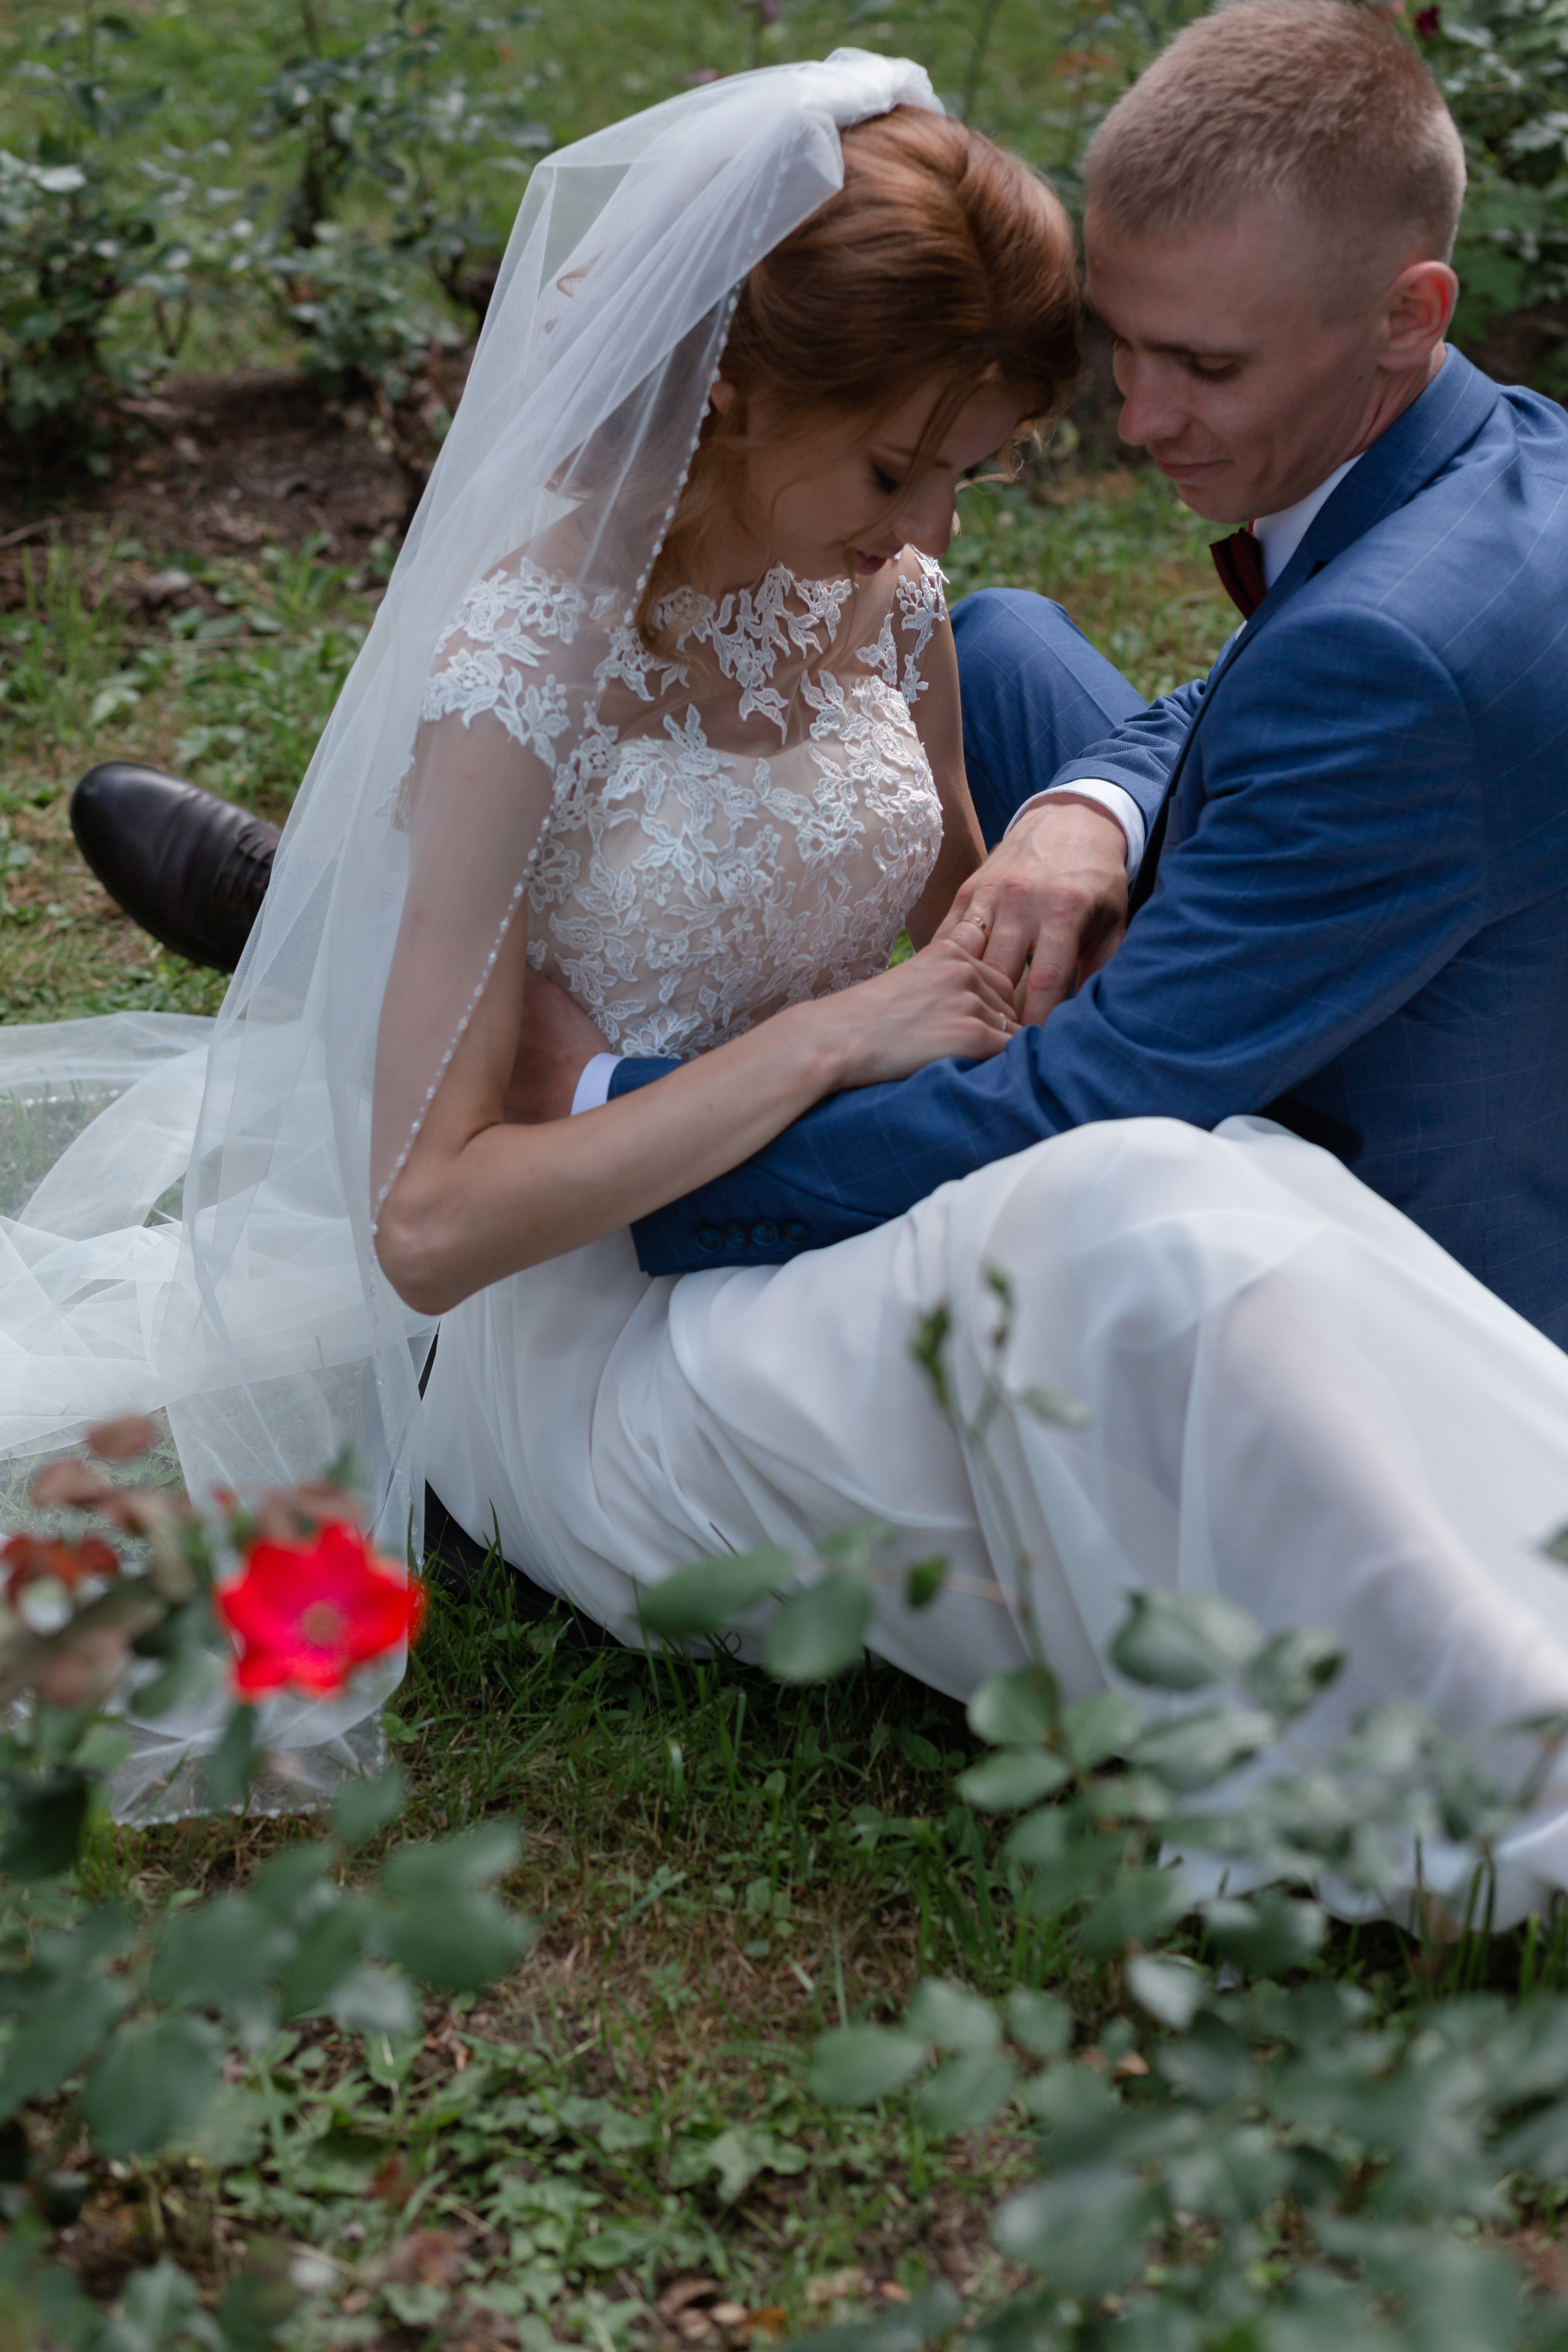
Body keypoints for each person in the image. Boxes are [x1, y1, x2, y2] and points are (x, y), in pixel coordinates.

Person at [25, 34, 1568, 1919]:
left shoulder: (890, 598)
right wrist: (827, 1041)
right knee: (1125, 1211)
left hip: (803, 1202)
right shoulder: (524, 657)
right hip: (597, 1324)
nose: (932, 531)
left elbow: (973, 945)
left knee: (1207, 1177)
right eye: (900, 467)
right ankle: (1503, 1784)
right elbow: (427, 1231)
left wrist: (1003, 941)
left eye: (966, 474)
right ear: (736, 389)